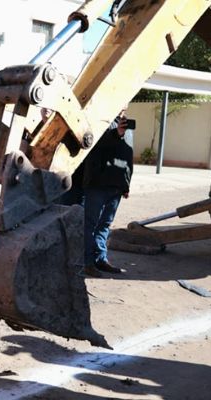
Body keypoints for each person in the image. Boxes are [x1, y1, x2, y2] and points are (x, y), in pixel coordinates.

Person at [82, 107, 134, 278]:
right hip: (98, 184)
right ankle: (88, 263)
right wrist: (117, 133)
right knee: (90, 225)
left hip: (117, 186)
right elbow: (96, 145)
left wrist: (126, 184)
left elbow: (128, 156)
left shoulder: (127, 127)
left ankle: (101, 259)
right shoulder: (97, 122)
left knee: (104, 225)